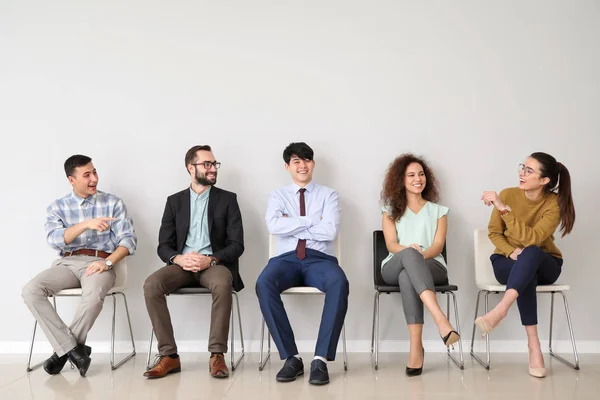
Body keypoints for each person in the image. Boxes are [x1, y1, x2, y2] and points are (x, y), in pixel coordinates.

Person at [22, 155, 137, 377]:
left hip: (100, 263)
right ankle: (75, 350)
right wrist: (86, 224)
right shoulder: (58, 207)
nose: (94, 178)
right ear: (71, 180)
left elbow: (128, 241)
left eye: (95, 172)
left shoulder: (113, 203)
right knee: (31, 290)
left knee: (93, 296)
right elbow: (55, 239)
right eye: (87, 175)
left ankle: (63, 352)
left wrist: (108, 262)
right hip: (67, 262)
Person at [143, 145, 244, 379]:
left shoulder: (228, 200)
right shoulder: (174, 201)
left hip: (213, 265)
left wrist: (211, 259)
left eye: (214, 164)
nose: (212, 169)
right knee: (151, 285)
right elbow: (163, 245)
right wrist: (178, 258)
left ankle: (217, 355)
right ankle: (169, 356)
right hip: (182, 266)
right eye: (207, 164)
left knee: (222, 283)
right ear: (191, 167)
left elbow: (237, 244)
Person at [256, 142, 349, 386]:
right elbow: (274, 226)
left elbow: (329, 231)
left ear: (313, 164)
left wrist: (292, 222)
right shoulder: (277, 195)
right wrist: (312, 220)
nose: (302, 165)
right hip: (285, 260)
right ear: (287, 166)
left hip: (319, 259)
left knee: (339, 281)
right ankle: (291, 358)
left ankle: (320, 359)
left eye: (306, 160)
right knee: (264, 282)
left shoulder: (329, 195)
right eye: (296, 161)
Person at [476, 152, 575, 378]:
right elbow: (494, 232)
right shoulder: (508, 194)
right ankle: (534, 346)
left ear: (544, 180)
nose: (522, 172)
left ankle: (501, 310)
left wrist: (504, 209)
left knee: (532, 252)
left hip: (546, 264)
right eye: (523, 167)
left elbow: (533, 238)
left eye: (529, 170)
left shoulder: (553, 204)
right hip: (506, 262)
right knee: (525, 273)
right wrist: (510, 251)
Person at [380, 153, 460, 376]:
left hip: (433, 266)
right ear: (401, 180)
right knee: (408, 260)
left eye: (421, 174)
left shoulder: (438, 211)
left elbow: (437, 245)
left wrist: (418, 255)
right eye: (411, 175)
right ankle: (441, 320)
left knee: (409, 275)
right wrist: (411, 253)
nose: (418, 179)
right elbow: (391, 244)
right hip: (393, 266)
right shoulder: (389, 211)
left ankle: (416, 347)